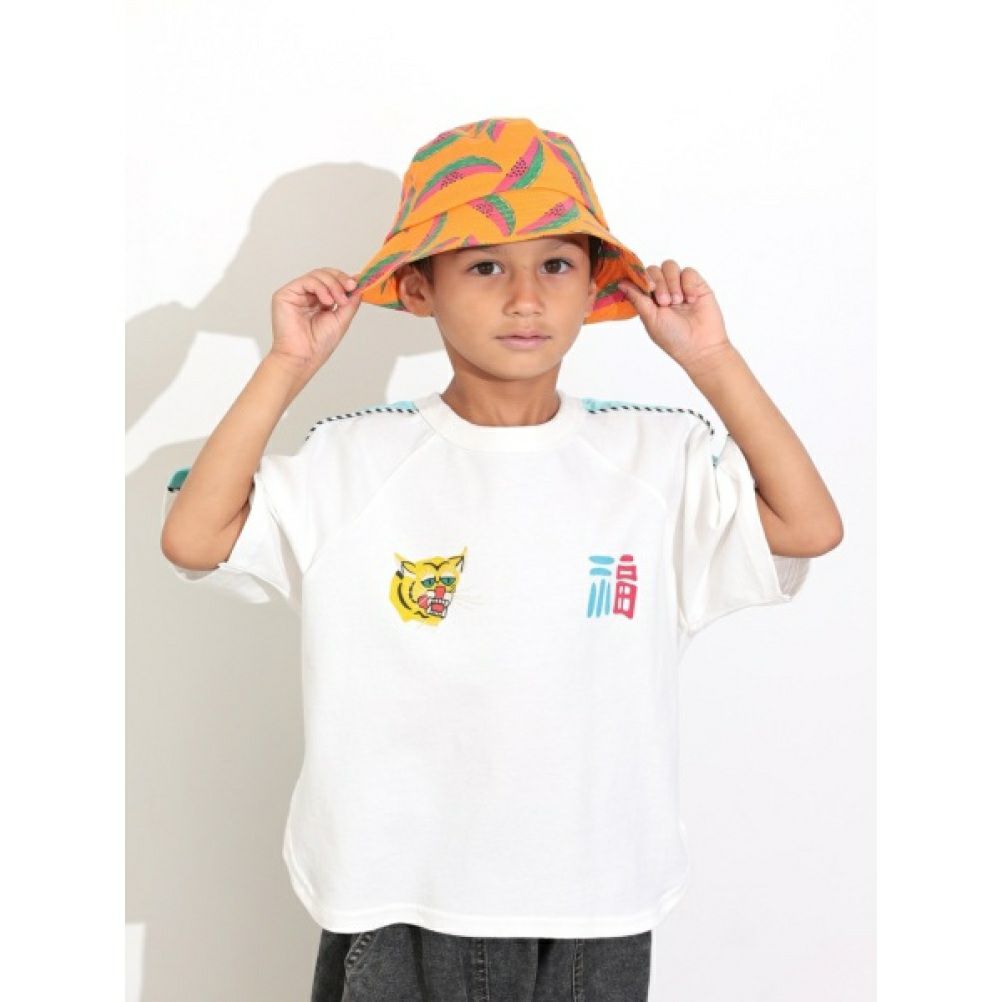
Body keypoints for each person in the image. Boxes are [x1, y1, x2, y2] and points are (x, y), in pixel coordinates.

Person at [160, 116, 843, 1001]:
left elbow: (806, 525)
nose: (526, 298)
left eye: (556, 264)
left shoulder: (655, 458)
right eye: (485, 266)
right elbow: (196, 537)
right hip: (400, 896)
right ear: (419, 287)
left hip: (593, 902)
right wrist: (289, 364)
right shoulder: (356, 460)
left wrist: (710, 359)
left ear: (593, 285)